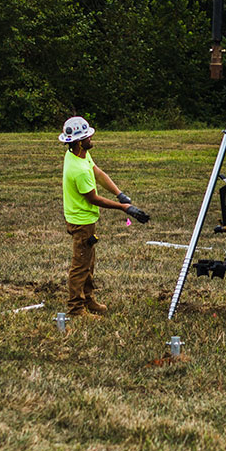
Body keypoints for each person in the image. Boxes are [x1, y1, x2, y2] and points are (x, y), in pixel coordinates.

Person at [59, 116, 150, 318]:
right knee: (80, 265)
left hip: (86, 220)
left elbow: (98, 172)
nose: (92, 138)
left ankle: (88, 299)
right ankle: (75, 309)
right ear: (80, 142)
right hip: (81, 221)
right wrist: (124, 207)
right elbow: (93, 198)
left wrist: (119, 193)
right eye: (88, 136)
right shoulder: (78, 170)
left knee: (88, 262)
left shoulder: (78, 155)